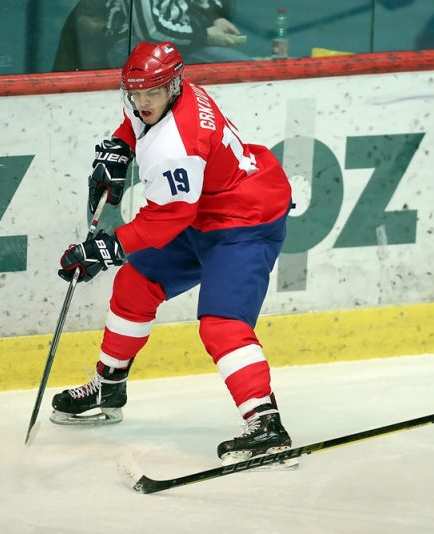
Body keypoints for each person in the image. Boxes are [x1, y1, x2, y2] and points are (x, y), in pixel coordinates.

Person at [51, 41, 294, 464]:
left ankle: (265, 422)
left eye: (152, 93)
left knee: (221, 325)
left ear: (173, 86)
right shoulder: (169, 91)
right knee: (135, 283)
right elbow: (136, 122)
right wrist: (120, 147)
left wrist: (108, 247)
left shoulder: (177, 147)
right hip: (205, 210)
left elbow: (168, 219)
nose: (143, 102)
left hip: (244, 222)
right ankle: (109, 384)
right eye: (136, 92)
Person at [52, 0, 248, 72]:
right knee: (240, 72)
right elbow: (151, 29)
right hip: (129, 47)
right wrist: (205, 35)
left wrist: (212, 21)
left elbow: (179, 9)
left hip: (173, 43)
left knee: (242, 69)